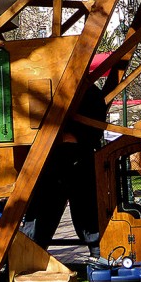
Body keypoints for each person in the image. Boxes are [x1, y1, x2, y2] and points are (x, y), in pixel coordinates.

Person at [25, 83, 107, 258]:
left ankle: (100, 255)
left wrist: (71, 137)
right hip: (57, 157)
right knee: (45, 210)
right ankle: (30, 255)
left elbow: (94, 128)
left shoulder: (89, 93)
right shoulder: (88, 92)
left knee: (86, 210)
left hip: (72, 156)